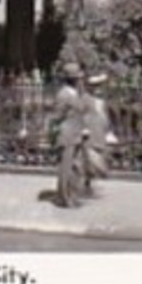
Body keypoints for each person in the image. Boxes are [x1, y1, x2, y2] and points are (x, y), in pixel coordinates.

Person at [49, 62, 91, 208]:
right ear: (73, 79)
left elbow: (83, 109)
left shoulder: (75, 93)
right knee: (66, 167)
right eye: (79, 78)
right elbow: (57, 116)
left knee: (75, 167)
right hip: (67, 133)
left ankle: (72, 195)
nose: (81, 80)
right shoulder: (64, 94)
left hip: (76, 133)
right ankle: (65, 199)